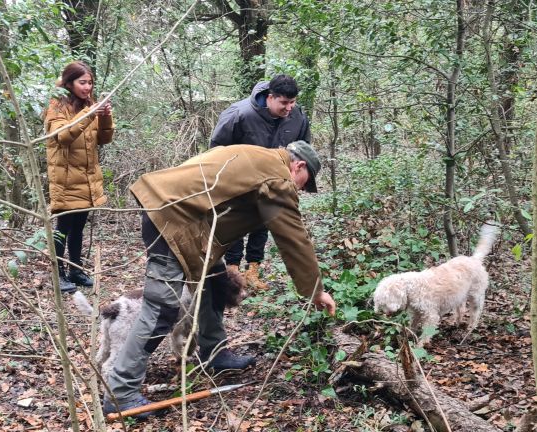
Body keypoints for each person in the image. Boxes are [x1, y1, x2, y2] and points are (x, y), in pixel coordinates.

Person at [103, 140, 336, 420]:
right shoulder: (277, 177)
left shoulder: (256, 155)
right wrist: (315, 290)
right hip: (172, 220)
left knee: (215, 280)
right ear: (298, 166)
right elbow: (293, 238)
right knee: (162, 307)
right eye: (303, 183)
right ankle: (121, 392)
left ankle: (214, 353)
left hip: (184, 219)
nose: (299, 189)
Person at [209, 74, 311, 290]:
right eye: (284, 103)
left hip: (274, 182)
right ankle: (233, 271)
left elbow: (304, 148)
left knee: (263, 224)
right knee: (235, 224)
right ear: (270, 97)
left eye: (292, 102)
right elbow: (216, 149)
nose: (289, 108)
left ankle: (253, 270)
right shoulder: (239, 114)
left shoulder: (297, 116)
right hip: (237, 182)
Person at [43, 61, 114, 293]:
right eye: (82, 82)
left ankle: (75, 270)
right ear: (69, 82)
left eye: (90, 83)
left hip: (86, 178)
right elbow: (63, 136)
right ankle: (58, 274)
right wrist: (90, 112)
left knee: (79, 227)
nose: (87, 87)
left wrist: (104, 117)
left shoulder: (88, 105)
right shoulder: (56, 105)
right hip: (64, 179)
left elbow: (102, 139)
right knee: (63, 227)